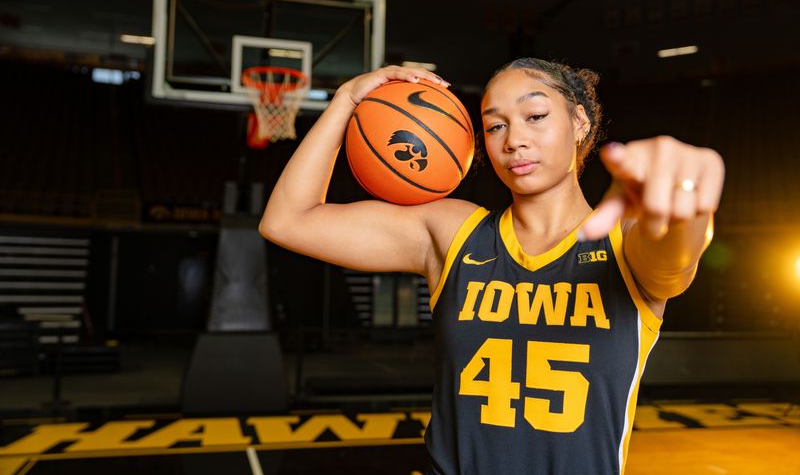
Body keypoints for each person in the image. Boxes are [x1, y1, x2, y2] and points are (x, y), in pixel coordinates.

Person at [259, 58, 724, 475]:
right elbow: (287, 221)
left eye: (535, 116)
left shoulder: (628, 242)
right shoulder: (453, 233)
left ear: (579, 121)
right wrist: (348, 100)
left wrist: (687, 198)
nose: (514, 140)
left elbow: (677, 252)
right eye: (494, 126)